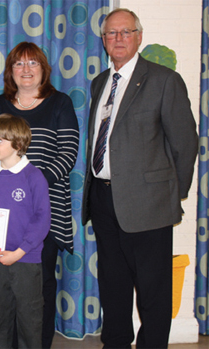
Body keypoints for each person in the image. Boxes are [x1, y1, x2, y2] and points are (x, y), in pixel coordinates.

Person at [81, 8, 198, 348]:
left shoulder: (164, 80)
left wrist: (171, 195)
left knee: (153, 292)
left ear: (138, 36)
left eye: (125, 32)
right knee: (113, 288)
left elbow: (185, 144)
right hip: (103, 201)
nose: (117, 39)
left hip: (149, 205)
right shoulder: (99, 83)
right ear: (103, 40)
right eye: (111, 34)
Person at [0, 41, 79, 348]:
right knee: (3, 291)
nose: (26, 70)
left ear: (43, 69)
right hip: (0, 212)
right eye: (19, 64)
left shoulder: (59, 102)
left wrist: (29, 183)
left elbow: (69, 152)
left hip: (45, 206)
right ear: (10, 71)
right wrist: (11, 185)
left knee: (40, 285)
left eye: (32, 63)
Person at [0, 114, 51, 348]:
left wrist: (19, 252)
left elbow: (42, 219)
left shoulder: (34, 176)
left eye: (0, 140)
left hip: (26, 260)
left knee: (29, 318)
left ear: (18, 144)